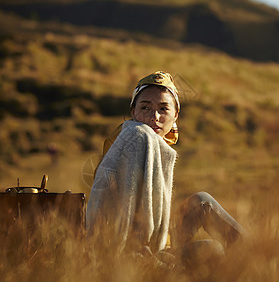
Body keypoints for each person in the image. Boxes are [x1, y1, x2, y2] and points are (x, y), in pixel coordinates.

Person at [86, 71, 246, 264]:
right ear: (133, 111)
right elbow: (116, 212)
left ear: (175, 115)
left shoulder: (156, 147)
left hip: (160, 241)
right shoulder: (134, 140)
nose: (154, 116)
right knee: (212, 249)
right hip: (135, 253)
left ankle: (258, 254)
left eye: (163, 109)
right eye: (145, 107)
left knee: (202, 201)